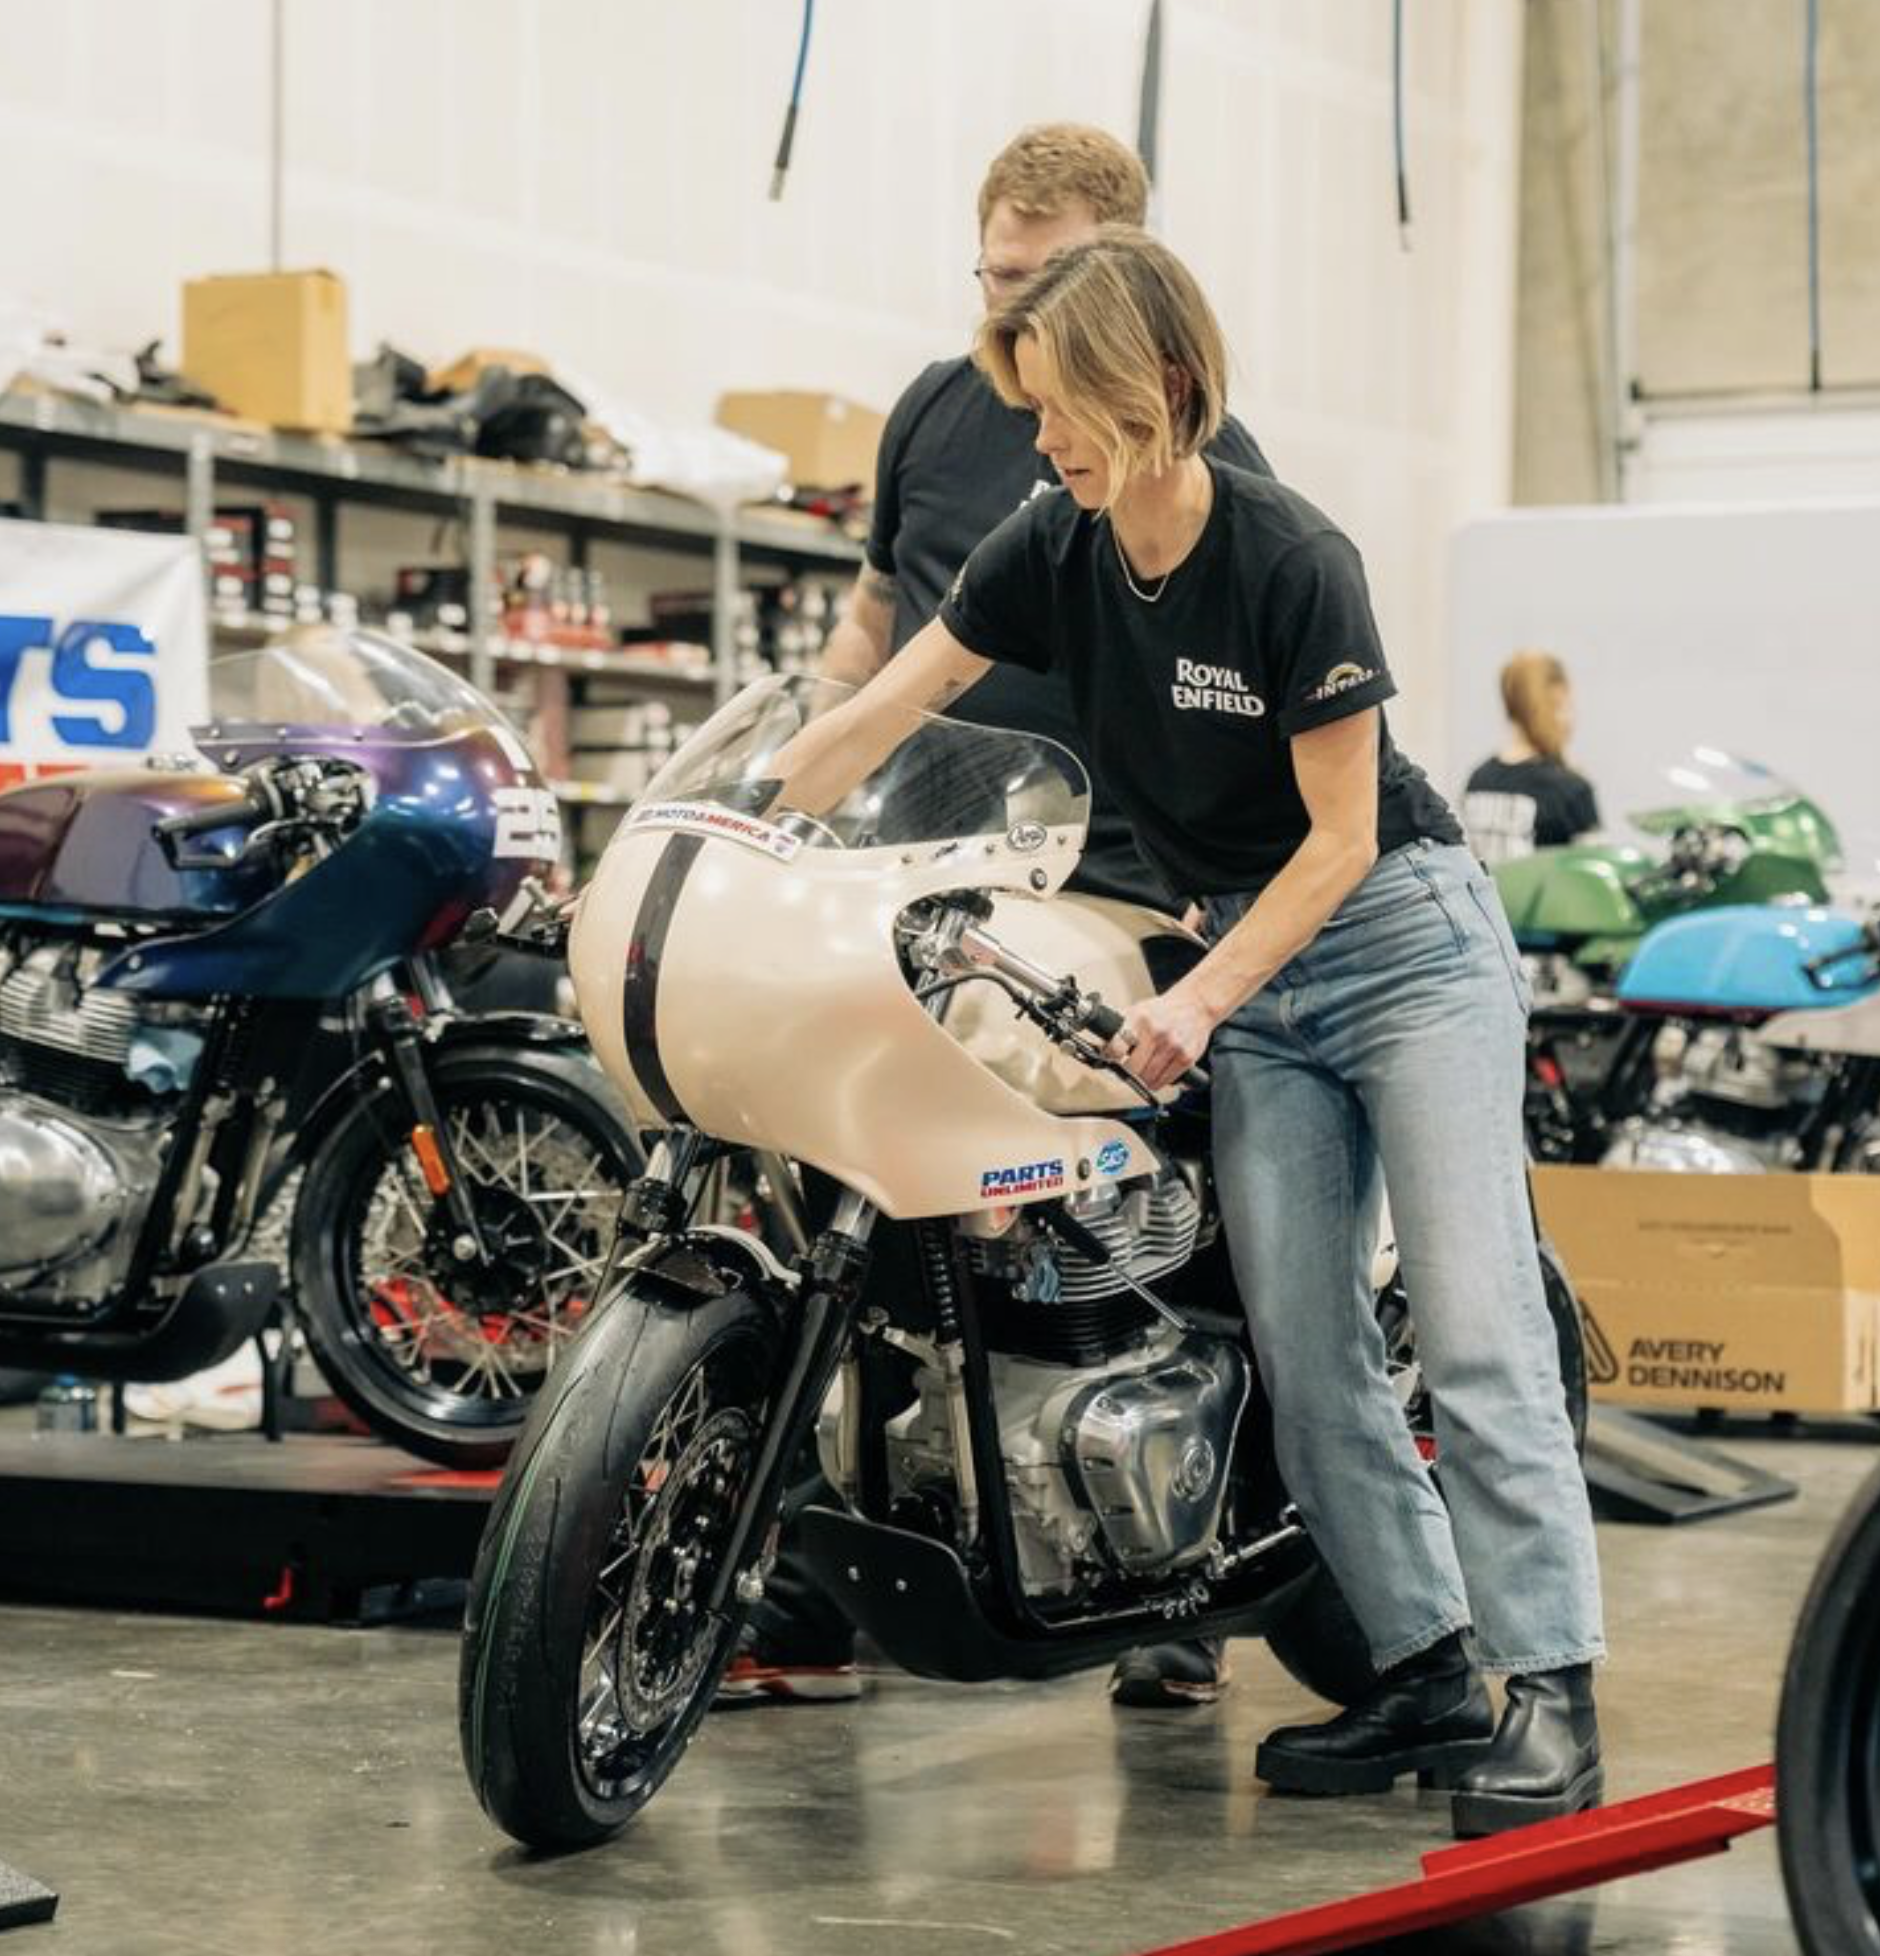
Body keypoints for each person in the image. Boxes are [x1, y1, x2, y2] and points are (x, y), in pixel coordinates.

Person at [773, 227, 1606, 1840]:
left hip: (1404, 948)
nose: (1040, 438)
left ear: (1157, 385)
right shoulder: (1053, 547)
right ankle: (1428, 1664)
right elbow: (895, 699)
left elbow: (1348, 838)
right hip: (1258, 980)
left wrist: (1203, 995)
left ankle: (1552, 1689)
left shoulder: (1295, 558)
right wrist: (758, 804)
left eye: (1060, 406)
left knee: (1478, 1314)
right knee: (1301, 1346)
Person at [724, 123, 1272, 1715]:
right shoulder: (937, 410)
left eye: (1044, 284)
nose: (1012, 317)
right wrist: (786, 772)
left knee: (1158, 1196)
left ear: (1127, 284)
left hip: (1112, 878)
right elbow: (881, 618)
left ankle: (1171, 1571)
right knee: (837, 1184)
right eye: (995, 275)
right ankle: (820, 1572)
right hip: (917, 857)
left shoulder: (1213, 456)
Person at [1461, 652, 1601, 864]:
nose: (1572, 719)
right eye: (1567, 706)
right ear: (1554, 703)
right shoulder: (1571, 789)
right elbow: (1595, 881)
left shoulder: (1477, 781)